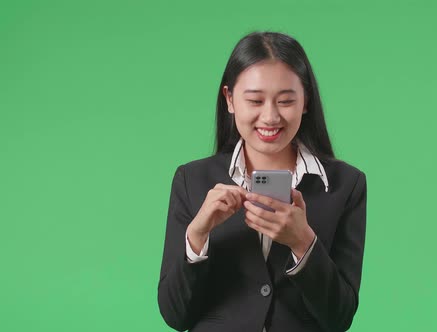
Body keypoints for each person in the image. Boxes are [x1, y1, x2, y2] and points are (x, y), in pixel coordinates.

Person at [157, 31, 367, 332]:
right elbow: (175, 316)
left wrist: (302, 242)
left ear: (305, 101)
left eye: (285, 101)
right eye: (255, 100)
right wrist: (198, 234)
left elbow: (339, 318)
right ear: (229, 99)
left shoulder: (345, 184)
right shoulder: (192, 180)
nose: (269, 117)